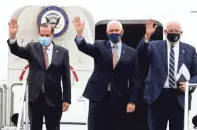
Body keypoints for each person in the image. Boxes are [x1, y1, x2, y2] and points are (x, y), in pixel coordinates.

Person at [73, 17, 140, 130]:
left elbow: (135, 79)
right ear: (107, 32)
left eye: (116, 30)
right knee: (95, 126)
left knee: (115, 126)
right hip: (97, 95)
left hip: (119, 96)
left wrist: (132, 101)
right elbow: (84, 47)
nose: (114, 32)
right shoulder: (99, 46)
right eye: (111, 30)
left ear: (122, 32)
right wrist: (79, 34)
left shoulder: (132, 53)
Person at [7, 19, 71, 130]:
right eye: (42, 34)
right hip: (35, 98)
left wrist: (66, 99)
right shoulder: (32, 48)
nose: (44, 37)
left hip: (54, 99)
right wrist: (12, 36)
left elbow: (66, 78)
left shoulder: (62, 52)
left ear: (52, 35)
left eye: (47, 35)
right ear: (38, 34)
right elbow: (16, 50)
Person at [137, 19, 197, 130]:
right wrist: (147, 37)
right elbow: (141, 55)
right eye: (171, 30)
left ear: (181, 33)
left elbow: (196, 73)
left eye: (176, 31)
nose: (173, 32)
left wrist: (188, 84)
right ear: (165, 32)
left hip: (180, 98)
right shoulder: (154, 46)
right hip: (158, 96)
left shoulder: (190, 50)